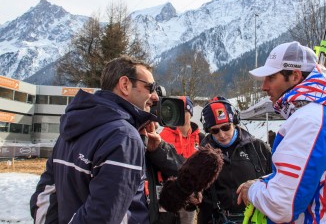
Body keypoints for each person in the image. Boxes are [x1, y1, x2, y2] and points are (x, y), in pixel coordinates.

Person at [236, 41, 326, 223]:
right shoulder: (321, 114)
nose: (264, 86)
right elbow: (308, 177)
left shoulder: (310, 120)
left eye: (271, 77)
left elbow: (282, 205)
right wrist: (264, 182)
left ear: (295, 76)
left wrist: (252, 191)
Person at [30, 55, 162, 223]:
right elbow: (102, 217)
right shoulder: (124, 137)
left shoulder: (72, 128)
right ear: (125, 85)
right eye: (150, 87)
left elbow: (45, 196)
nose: (155, 97)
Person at [197, 96, 272, 224]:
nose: (221, 134)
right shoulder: (201, 155)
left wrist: (260, 182)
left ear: (235, 122)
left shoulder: (259, 148)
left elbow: (277, 181)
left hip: (255, 219)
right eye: (215, 131)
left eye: (226, 127)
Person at [159, 96, 205, 224]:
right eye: (176, 110)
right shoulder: (163, 135)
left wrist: (198, 190)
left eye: (183, 111)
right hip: (168, 197)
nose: (179, 114)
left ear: (190, 113)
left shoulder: (200, 138)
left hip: (190, 199)